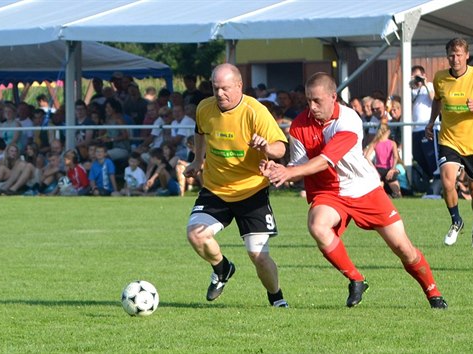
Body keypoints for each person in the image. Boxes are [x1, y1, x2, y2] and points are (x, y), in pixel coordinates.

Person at [261, 72, 447, 309]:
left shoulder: (348, 119)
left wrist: (289, 172)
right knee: (317, 225)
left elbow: (327, 160)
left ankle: (433, 292)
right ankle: (356, 279)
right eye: (308, 100)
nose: (311, 106)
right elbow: (299, 166)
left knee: (403, 248)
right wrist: (277, 169)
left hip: (364, 189)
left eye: (317, 100)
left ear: (333, 97)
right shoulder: (299, 124)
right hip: (329, 191)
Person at [183, 63, 289, 308]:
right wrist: (198, 160)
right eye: (215, 88)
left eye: (225, 88)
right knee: (196, 235)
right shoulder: (205, 108)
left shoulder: (255, 111)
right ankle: (222, 268)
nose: (220, 94)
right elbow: (200, 132)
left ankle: (276, 298)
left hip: (251, 191)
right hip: (216, 188)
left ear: (239, 86)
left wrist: (266, 148)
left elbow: (281, 147)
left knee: (258, 256)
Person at [425, 38, 473, 248]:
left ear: (467, 55)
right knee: (447, 181)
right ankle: (456, 221)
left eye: (459, 55)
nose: (455, 59)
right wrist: (431, 122)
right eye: (451, 55)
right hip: (449, 139)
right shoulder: (440, 77)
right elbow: (438, 99)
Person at [411, 65, 438, 183]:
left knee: (430, 156)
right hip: (414, 129)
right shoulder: (411, 90)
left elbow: (435, 100)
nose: (416, 79)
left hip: (428, 128)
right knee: (417, 155)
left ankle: (437, 180)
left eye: (417, 76)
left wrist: (425, 84)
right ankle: (430, 178)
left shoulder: (430, 86)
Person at [364, 124, 402, 198]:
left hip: (378, 170)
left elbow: (366, 156)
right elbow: (395, 157)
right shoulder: (392, 143)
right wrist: (392, 169)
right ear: (388, 132)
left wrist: (373, 169)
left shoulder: (375, 143)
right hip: (389, 169)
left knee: (379, 194)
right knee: (398, 193)